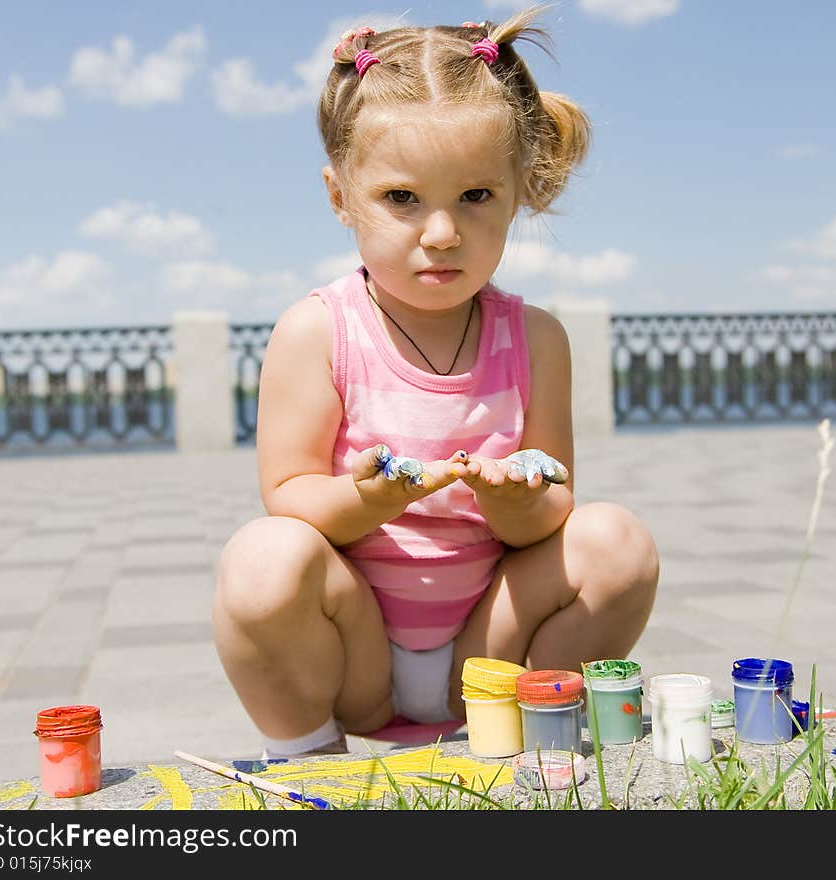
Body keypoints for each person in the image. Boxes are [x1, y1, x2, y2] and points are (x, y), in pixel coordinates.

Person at [212, 5, 659, 759]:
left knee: (617, 545)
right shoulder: (318, 330)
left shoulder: (536, 338)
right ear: (339, 197)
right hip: (358, 653)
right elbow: (288, 494)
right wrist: (368, 498)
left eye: (476, 197)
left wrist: (512, 500)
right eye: (402, 199)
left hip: (489, 651)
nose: (443, 232)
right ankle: (313, 761)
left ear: (518, 191)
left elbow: (553, 508)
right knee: (261, 561)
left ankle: (516, 732)